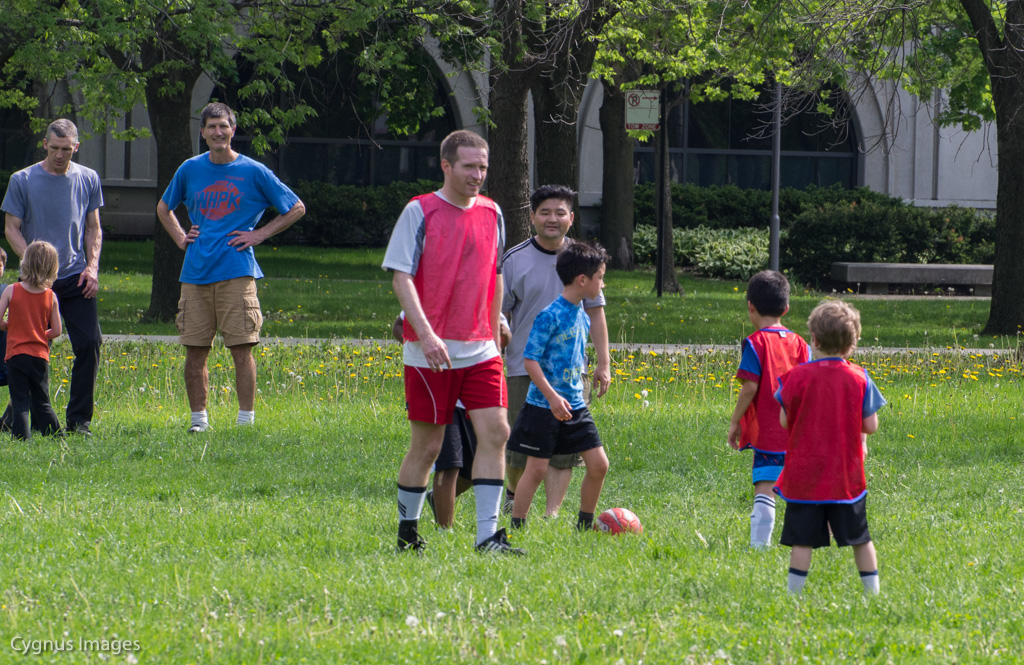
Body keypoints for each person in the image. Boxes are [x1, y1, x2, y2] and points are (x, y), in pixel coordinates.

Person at [383, 129, 522, 555]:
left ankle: (488, 536)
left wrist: (496, 319)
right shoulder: (419, 211)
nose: (477, 174)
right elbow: (401, 278)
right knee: (428, 446)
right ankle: (408, 533)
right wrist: (425, 335)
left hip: (480, 347)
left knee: (496, 432)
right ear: (446, 166)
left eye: (482, 166)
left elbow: (494, 273)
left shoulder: (493, 212)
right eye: (468, 166)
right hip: (430, 351)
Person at [157, 102, 306, 433]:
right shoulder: (189, 169)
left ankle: (245, 422)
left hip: (237, 273)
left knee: (241, 350)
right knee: (195, 353)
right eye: (211, 126)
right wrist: (181, 238)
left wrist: (261, 233)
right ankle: (199, 422)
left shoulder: (253, 171)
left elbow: (295, 207)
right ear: (203, 132)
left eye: (223, 126)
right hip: (195, 273)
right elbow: (164, 207)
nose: (217, 132)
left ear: (233, 130)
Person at [501, 185, 610, 517]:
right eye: (545, 212)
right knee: (524, 451)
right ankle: (513, 501)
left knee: (565, 453)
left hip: (570, 374)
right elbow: (500, 313)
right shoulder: (515, 259)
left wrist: (603, 362)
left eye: (560, 212)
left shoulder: (585, 260)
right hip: (525, 368)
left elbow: (597, 311)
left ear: (571, 218)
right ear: (532, 217)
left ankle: (552, 514)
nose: (552, 219)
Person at [774, 300, 886, 596]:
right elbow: (870, 425)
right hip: (844, 479)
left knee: (802, 541)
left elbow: (785, 420)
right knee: (860, 538)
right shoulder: (860, 378)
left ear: (813, 338)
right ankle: (872, 594)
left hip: (804, 477)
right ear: (852, 344)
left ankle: (793, 596)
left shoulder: (795, 378)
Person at [2, 119, 103, 436]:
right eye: (54, 148)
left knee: (90, 343)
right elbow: (11, 228)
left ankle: (79, 421)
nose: (60, 155)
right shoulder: (23, 179)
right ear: (44, 144)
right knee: (28, 352)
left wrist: (93, 267)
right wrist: (32, 264)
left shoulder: (88, 178)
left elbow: (93, 228)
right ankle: (14, 418)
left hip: (75, 278)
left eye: (67, 149)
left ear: (76, 147)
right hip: (35, 284)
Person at [393, 313, 511, 530]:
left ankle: (436, 499)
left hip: (474, 396)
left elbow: (504, 333)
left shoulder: (482, 292)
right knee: (449, 465)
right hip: (439, 384)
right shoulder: (435, 291)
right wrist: (421, 348)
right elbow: (399, 325)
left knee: (473, 468)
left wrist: (498, 337)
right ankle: (443, 529)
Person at [727, 270, 810, 548]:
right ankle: (810, 539)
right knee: (803, 491)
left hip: (769, 435)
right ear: (786, 308)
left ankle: (759, 546)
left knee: (765, 488)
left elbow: (749, 387)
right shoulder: (801, 344)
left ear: (750, 306)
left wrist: (735, 421)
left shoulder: (755, 342)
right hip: (798, 433)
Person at [0, 241, 63, 440]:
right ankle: (56, 436)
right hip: (39, 356)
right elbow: (57, 330)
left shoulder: (11, 290)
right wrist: (38, 334)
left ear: (24, 262)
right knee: (42, 401)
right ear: (53, 267)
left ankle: (21, 439)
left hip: (16, 355)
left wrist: (14, 328)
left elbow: (0, 320)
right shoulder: (51, 296)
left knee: (20, 401)